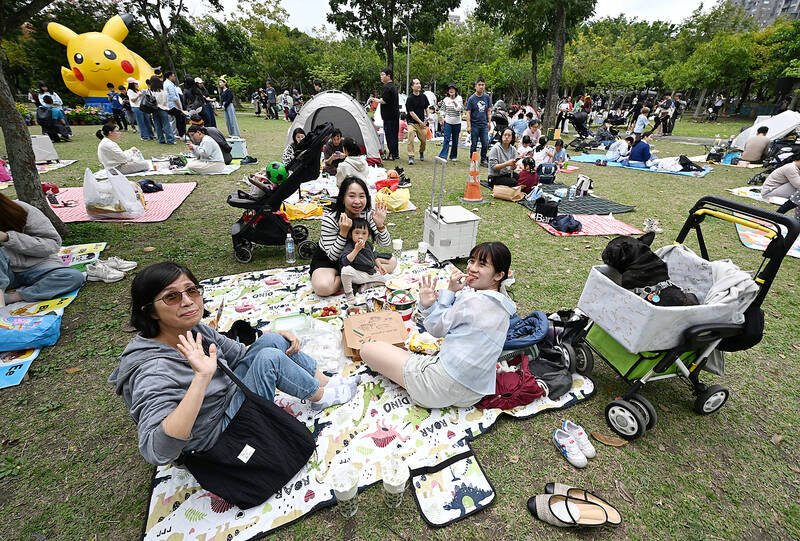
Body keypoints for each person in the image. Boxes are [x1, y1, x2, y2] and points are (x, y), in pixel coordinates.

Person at [109, 262, 360, 467]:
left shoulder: (190, 328)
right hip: (214, 438)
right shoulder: (152, 370)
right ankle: (320, 396)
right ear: (150, 311)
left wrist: (276, 340)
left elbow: (240, 354)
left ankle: (325, 383)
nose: (187, 301)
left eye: (192, 290)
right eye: (172, 297)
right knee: (268, 359)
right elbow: (158, 451)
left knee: (271, 340)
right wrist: (201, 378)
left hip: (229, 398)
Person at [360, 242, 516, 408]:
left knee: (368, 349)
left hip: (437, 387)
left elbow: (436, 328)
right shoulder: (505, 308)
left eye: (482, 264)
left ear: (498, 275)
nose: (472, 268)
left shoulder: (472, 300)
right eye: (471, 261)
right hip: (474, 394)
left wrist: (443, 295)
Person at [310, 177, 396, 297]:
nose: (357, 201)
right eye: (351, 196)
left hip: (358, 259)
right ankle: (358, 279)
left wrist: (380, 225)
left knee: (392, 262)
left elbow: (385, 243)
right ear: (342, 198)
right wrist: (343, 233)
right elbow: (333, 256)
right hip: (331, 262)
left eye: (361, 196)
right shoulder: (330, 219)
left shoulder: (367, 215)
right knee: (323, 287)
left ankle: (355, 278)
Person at [0, 193, 85, 312]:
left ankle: (12, 298)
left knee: (73, 277)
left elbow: (52, 244)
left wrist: (8, 238)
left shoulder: (21, 211)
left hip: (38, 265)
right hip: (6, 273)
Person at [340, 218, 387, 301]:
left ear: (368, 235)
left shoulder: (369, 245)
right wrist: (356, 250)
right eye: (357, 233)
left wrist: (379, 266)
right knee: (345, 270)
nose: (360, 236)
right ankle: (349, 294)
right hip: (358, 275)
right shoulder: (350, 246)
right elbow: (345, 261)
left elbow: (374, 257)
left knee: (388, 279)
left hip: (369, 273)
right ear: (351, 234)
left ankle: (369, 285)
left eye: (364, 233)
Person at [466, 77, 492, 168]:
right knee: (474, 143)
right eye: (479, 85)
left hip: (484, 124)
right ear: (475, 86)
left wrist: (489, 122)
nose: (481, 87)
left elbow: (489, 110)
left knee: (486, 142)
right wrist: (468, 126)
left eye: (482, 85)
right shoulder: (472, 98)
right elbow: (468, 112)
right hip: (474, 124)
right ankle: (472, 159)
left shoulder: (487, 97)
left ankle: (483, 159)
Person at [377, 67, 400, 161]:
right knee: (394, 135)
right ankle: (395, 153)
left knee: (390, 135)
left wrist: (376, 100)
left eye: (383, 75)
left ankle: (391, 155)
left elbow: (385, 100)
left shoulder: (387, 87)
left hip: (389, 116)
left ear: (388, 76)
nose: (381, 77)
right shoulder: (393, 86)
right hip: (394, 115)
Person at [404, 78, 427, 165]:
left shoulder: (423, 97)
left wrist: (428, 116)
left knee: (424, 139)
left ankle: (421, 152)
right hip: (412, 122)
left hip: (421, 123)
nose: (419, 85)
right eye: (416, 83)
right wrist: (420, 121)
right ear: (412, 86)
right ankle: (411, 156)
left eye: (419, 83)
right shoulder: (410, 99)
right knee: (410, 135)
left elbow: (426, 107)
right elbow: (411, 113)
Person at [438, 82, 463, 162]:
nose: (451, 90)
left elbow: (460, 109)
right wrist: (442, 117)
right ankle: (443, 155)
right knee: (446, 139)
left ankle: (453, 156)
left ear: (455, 90)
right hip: (448, 122)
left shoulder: (459, 98)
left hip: (457, 122)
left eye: (453, 89)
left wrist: (454, 102)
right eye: (450, 89)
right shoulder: (445, 100)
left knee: (455, 140)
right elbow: (442, 110)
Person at [148, 76, 175, 145]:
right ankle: (170, 140)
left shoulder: (150, 91)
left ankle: (161, 140)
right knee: (166, 125)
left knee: (157, 125)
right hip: (163, 109)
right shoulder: (163, 91)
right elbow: (166, 101)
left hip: (154, 110)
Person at [164, 71, 186, 139]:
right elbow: (174, 97)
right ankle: (182, 135)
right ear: (170, 76)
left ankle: (176, 133)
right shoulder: (169, 85)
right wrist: (180, 108)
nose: (175, 77)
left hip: (170, 105)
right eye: (173, 76)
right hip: (174, 106)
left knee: (174, 120)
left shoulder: (166, 83)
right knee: (180, 119)